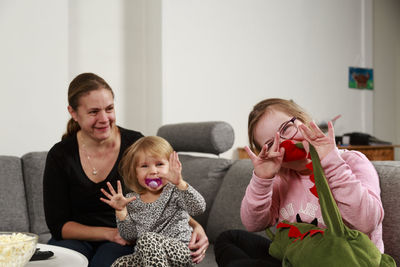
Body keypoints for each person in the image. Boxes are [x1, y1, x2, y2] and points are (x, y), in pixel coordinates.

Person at [43, 72, 209, 267]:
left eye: (109, 109)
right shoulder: (60, 155)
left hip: (127, 236)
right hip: (81, 237)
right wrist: (109, 233)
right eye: (94, 112)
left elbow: (160, 197)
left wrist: (196, 226)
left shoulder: (135, 144)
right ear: (73, 112)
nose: (104, 118)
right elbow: (58, 225)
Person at [214, 98, 384, 267]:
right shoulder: (282, 179)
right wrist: (262, 180)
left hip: (346, 258)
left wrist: (331, 164)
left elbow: (367, 222)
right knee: (229, 239)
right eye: (272, 143)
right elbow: (253, 223)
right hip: (298, 256)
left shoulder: (351, 162)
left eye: (287, 128)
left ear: (303, 119)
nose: (286, 143)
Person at [100, 136, 206, 266]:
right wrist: (121, 211)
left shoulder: (175, 191)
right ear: (135, 173)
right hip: (149, 256)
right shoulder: (132, 200)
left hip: (181, 251)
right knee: (120, 263)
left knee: (147, 238)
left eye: (160, 164)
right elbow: (129, 236)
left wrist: (180, 183)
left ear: (170, 167)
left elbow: (199, 208)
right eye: (144, 166)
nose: (153, 171)